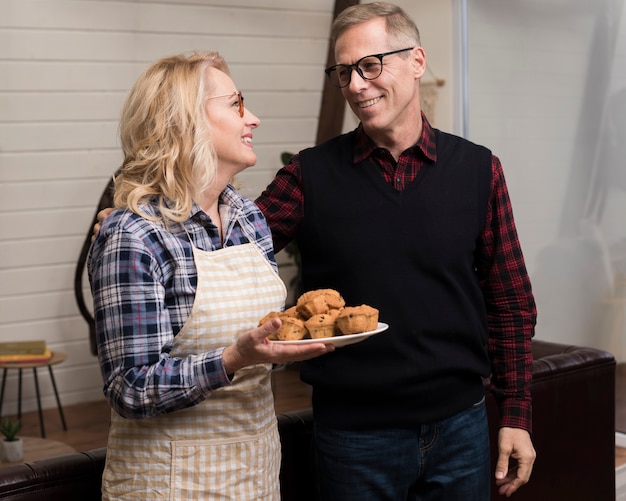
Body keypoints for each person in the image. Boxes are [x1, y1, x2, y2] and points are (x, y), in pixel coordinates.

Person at [94, 3, 537, 499]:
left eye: (370, 65)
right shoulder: (308, 176)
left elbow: (511, 301)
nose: (356, 85)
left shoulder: (479, 170)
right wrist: (139, 219)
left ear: (417, 61)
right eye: (344, 72)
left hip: (462, 428)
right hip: (354, 436)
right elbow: (222, 251)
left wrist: (515, 411)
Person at [87, 51, 334, 500]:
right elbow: (130, 388)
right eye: (236, 104)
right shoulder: (134, 235)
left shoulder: (248, 219)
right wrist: (230, 360)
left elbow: (264, 344)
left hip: (255, 472)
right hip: (166, 482)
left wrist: (286, 346)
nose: (253, 118)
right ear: (184, 122)